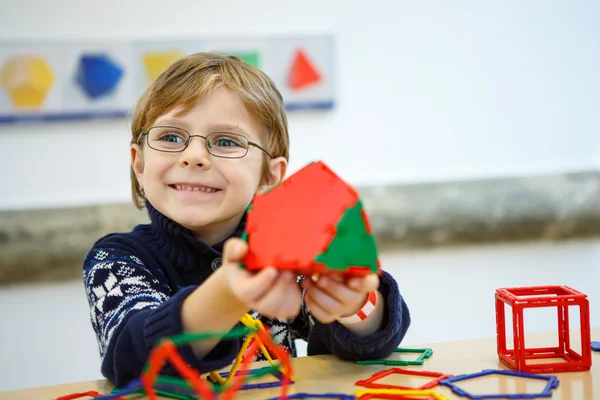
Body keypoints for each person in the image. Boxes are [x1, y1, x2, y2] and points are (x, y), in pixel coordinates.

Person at [82, 52, 411, 388]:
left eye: (226, 141)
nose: (193, 156)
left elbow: (369, 342)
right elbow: (131, 358)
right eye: (170, 137)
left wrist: (354, 305)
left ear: (269, 176)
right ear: (139, 164)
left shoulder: (287, 248)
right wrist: (229, 290)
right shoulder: (115, 259)